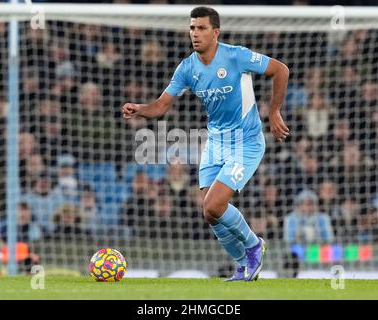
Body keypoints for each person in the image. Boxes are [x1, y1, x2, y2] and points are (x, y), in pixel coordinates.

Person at [122, 6, 289, 281]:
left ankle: (254, 245)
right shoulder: (187, 68)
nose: (195, 34)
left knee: (214, 205)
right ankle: (243, 264)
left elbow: (280, 70)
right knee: (210, 214)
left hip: (245, 142)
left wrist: (273, 111)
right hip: (215, 142)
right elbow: (162, 106)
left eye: (201, 28)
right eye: (192, 28)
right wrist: (140, 108)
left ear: (215, 32)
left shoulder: (236, 56)